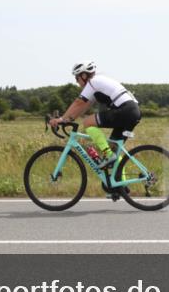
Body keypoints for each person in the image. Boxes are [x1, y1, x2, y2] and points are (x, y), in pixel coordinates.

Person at [49, 61, 141, 199]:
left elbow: (78, 102)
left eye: (77, 78)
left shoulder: (93, 82)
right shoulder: (97, 83)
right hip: (132, 111)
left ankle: (108, 155)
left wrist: (61, 119)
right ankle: (120, 187)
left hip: (125, 110)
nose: (77, 82)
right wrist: (68, 119)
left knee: (87, 123)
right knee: (115, 148)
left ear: (84, 75)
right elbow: (83, 107)